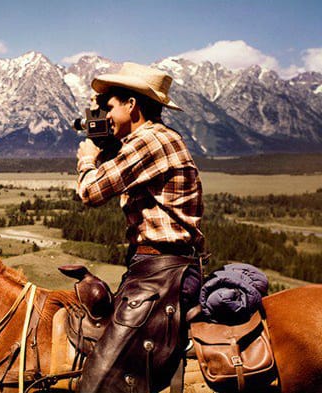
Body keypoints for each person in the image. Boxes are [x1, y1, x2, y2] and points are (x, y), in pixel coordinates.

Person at [74, 63, 204, 393]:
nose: (106, 114)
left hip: (162, 275)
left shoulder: (151, 141)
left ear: (132, 105)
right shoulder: (148, 140)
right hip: (151, 270)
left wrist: (88, 158)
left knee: (97, 384)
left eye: (111, 106)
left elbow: (91, 192)